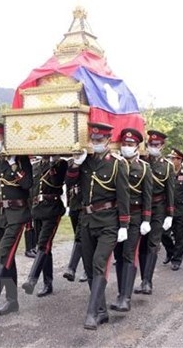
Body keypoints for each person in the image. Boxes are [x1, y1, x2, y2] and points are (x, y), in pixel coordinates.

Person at [65, 122, 130, 330]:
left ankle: (92, 313)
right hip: (86, 221)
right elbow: (70, 184)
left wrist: (123, 224)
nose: (96, 143)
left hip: (108, 221)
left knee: (99, 263)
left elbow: (123, 196)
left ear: (108, 141)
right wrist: (75, 164)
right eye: (93, 140)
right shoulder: (86, 161)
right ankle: (101, 311)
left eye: (99, 140)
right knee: (88, 267)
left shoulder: (118, 163)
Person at [0, 122, 33, 316]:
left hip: (18, 215)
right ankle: (12, 301)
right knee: (7, 257)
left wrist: (13, 164)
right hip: (0, 217)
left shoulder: (19, 158)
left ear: (5, 138)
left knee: (2, 256)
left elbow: (27, 184)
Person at [111, 127, 152, 312]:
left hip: (135, 217)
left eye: (130, 144)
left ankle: (126, 298)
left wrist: (146, 219)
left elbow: (147, 196)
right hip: (116, 216)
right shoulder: (114, 164)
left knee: (128, 254)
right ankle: (121, 293)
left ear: (137, 146)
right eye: (124, 144)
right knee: (119, 256)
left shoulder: (144, 168)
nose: (126, 147)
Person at [134, 129, 174, 295]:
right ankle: (144, 279)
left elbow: (170, 191)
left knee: (152, 243)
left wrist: (170, 214)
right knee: (142, 244)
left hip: (158, 208)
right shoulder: (141, 161)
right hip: (142, 207)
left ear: (162, 146)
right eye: (150, 144)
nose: (152, 147)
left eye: (156, 144)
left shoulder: (168, 166)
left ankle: (147, 281)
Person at [22, 156, 68, 298]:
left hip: (52, 209)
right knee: (44, 247)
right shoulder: (35, 166)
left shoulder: (61, 164)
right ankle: (48, 283)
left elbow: (56, 183)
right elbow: (31, 190)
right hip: (37, 210)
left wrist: (53, 162)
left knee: (43, 245)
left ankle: (32, 279)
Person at [161, 148, 183, 271]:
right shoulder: (166, 172)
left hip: (181, 208)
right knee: (163, 233)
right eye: (170, 158)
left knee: (180, 235)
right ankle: (170, 251)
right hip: (166, 209)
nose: (171, 160)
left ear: (180, 160)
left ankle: (176, 260)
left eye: (174, 158)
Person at [62, 176, 88, 282]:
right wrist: (68, 204)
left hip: (85, 205)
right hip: (74, 205)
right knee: (79, 238)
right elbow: (68, 183)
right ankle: (81, 267)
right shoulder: (72, 164)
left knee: (82, 237)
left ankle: (79, 268)